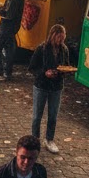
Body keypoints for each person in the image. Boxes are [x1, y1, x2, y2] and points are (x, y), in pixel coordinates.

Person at [28, 24, 71, 153]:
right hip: (41, 86)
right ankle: (35, 140)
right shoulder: (42, 49)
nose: (61, 42)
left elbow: (66, 65)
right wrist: (44, 73)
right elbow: (32, 67)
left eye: (63, 39)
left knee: (53, 116)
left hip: (57, 87)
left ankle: (49, 139)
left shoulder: (64, 50)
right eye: (59, 38)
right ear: (53, 36)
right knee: (37, 116)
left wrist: (65, 71)